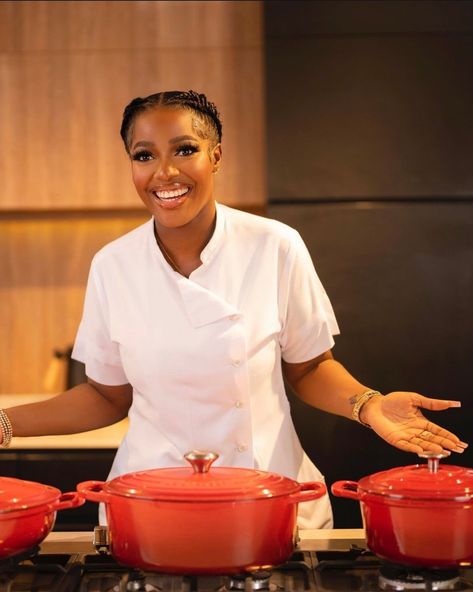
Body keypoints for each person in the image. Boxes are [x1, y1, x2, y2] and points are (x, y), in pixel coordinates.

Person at [0, 90, 467, 529]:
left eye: (184, 149)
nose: (164, 173)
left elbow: (309, 369)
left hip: (270, 497)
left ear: (215, 155)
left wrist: (370, 405)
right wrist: (4, 424)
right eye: (144, 155)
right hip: (151, 504)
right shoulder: (113, 265)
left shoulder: (274, 245)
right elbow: (106, 397)